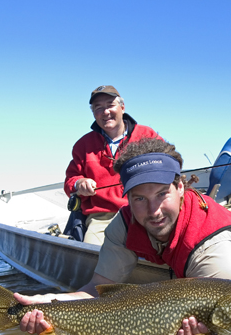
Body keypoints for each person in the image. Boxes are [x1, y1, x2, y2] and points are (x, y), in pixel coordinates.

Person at [16, 138, 231, 335]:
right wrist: (46, 304)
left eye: (162, 194)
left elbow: (207, 331)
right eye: (139, 198)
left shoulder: (213, 243)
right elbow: (95, 291)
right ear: (127, 198)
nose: (154, 211)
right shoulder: (124, 224)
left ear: (181, 187)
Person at [64, 85, 160, 245]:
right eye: (98, 108)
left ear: (122, 107)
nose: (105, 112)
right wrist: (79, 183)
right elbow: (70, 182)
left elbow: (168, 165)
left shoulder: (147, 135)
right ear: (93, 114)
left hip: (146, 211)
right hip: (102, 217)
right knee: (92, 254)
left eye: (110, 105)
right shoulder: (83, 145)